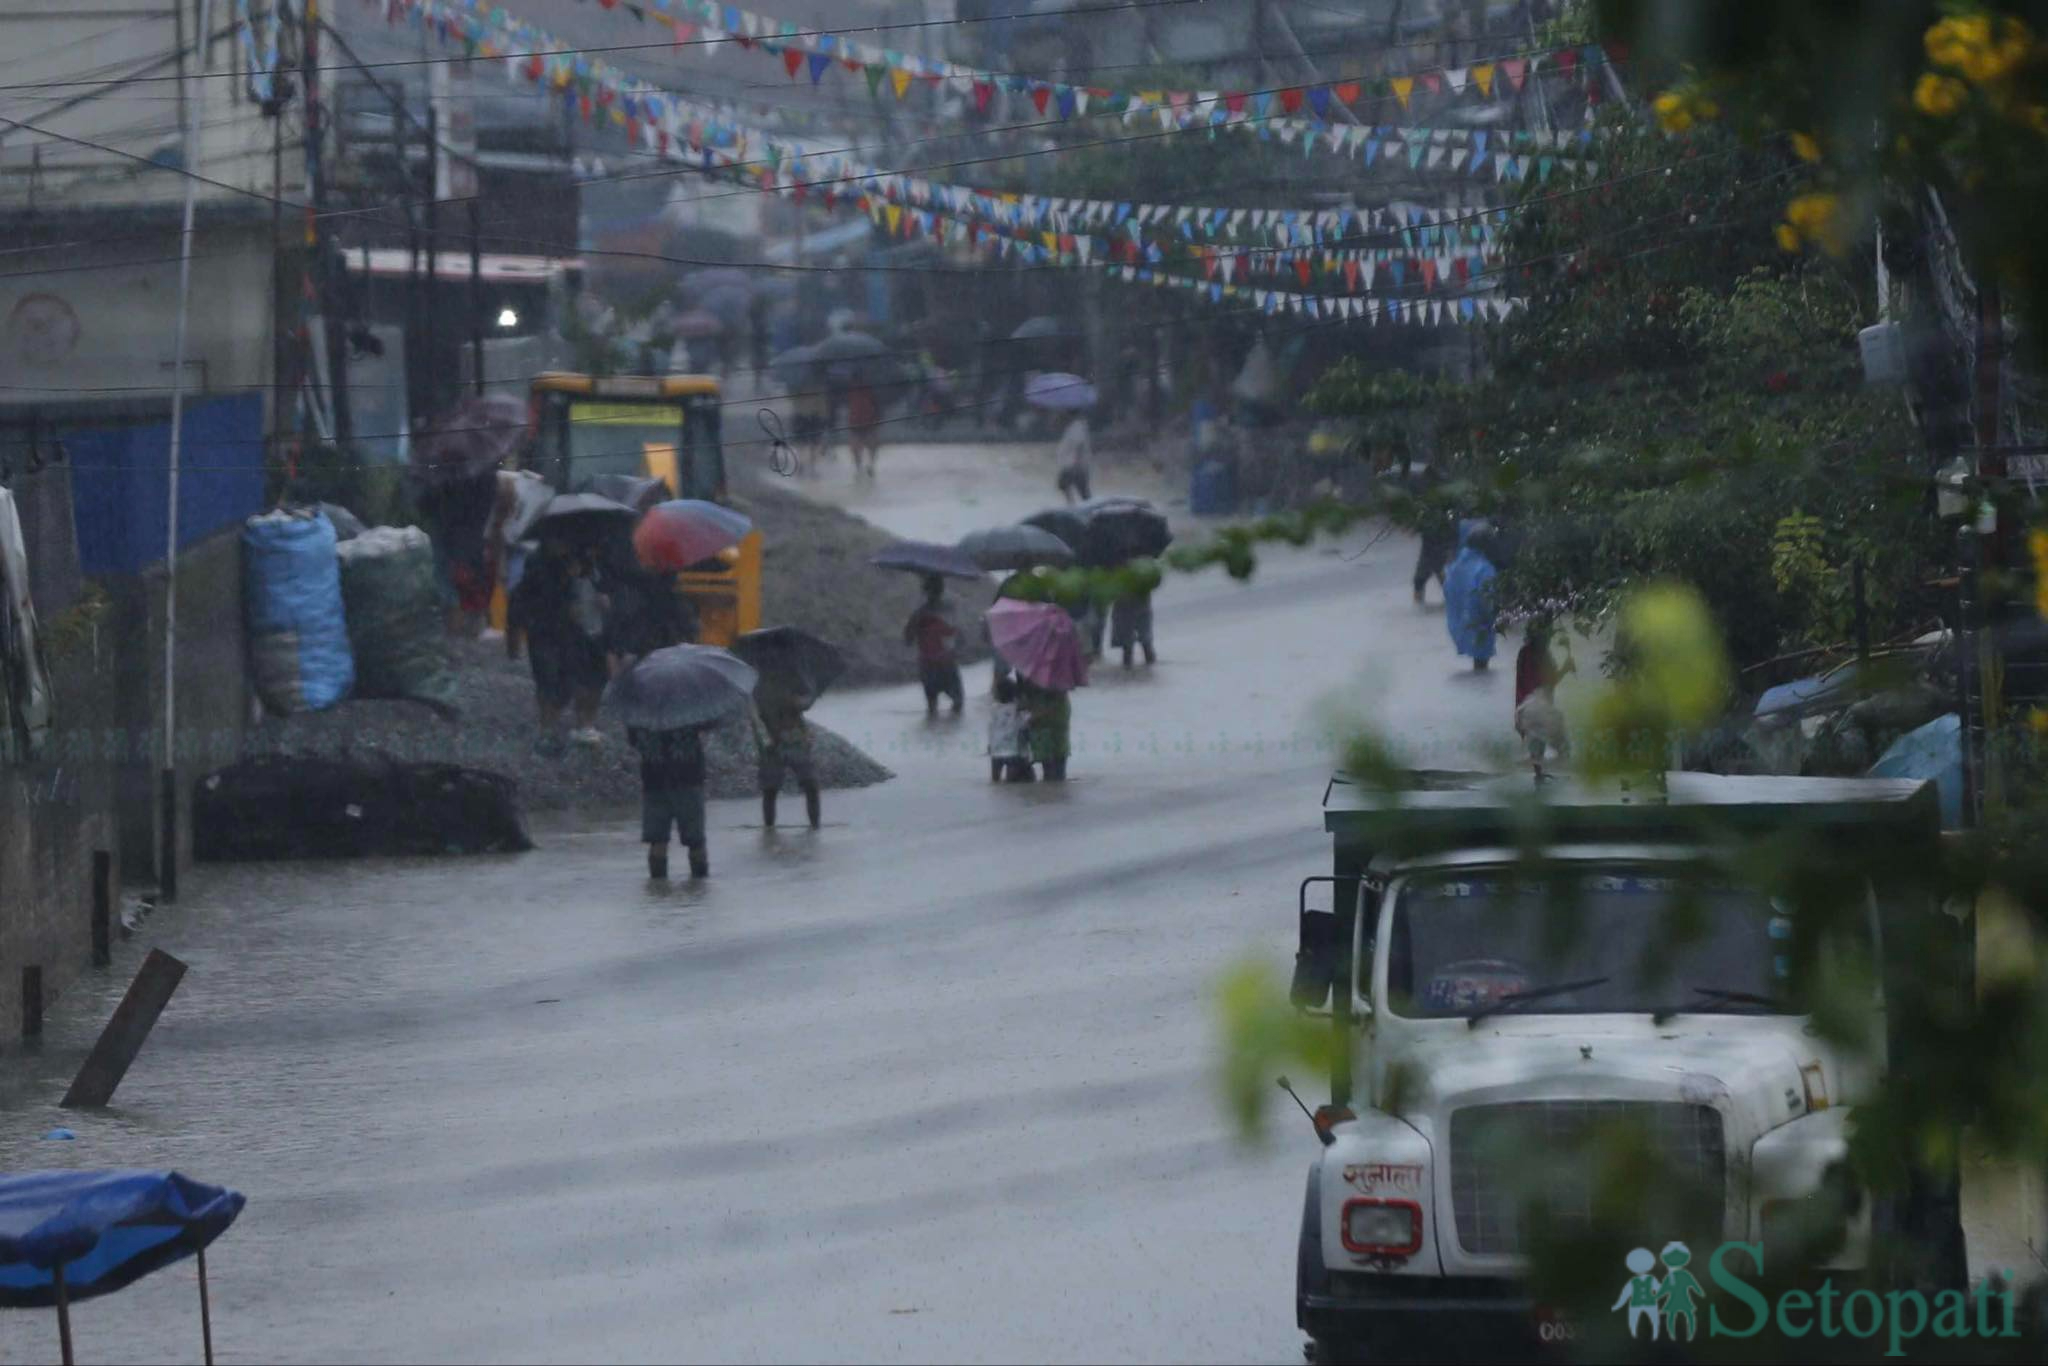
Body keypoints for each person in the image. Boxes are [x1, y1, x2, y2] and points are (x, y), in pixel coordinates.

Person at [507, 538, 610, 747]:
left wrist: (604, 599)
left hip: (585, 630)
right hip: (548, 631)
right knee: (549, 677)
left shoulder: (592, 559)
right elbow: (526, 599)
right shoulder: (539, 562)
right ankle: (548, 727)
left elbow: (603, 587)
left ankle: (583, 724)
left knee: (590, 677)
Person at [629, 716, 713, 880]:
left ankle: (658, 890)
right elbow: (709, 722)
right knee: (695, 840)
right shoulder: (688, 707)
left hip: (654, 781)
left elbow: (633, 740)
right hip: (688, 778)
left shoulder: (640, 712)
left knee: (657, 841)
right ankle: (699, 887)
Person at [753, 681, 821, 829]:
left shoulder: (786, 679)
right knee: (773, 790)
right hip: (778, 744)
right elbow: (803, 704)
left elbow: (803, 704)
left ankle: (770, 831)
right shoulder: (763, 687)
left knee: (808, 785)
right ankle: (813, 827)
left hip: (789, 742)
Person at [1514, 616, 1575, 773]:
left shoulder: (1524, 652)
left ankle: (1538, 784)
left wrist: (1518, 717)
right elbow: (1549, 682)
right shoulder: (1543, 655)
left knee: (1536, 760)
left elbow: (1521, 684)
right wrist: (1566, 668)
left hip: (1525, 710)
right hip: (1541, 710)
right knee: (1564, 753)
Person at [1442, 520, 1499, 672]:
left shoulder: (1455, 566)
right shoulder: (1485, 569)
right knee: (1482, 665)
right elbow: (1488, 599)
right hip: (1479, 623)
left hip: (1458, 623)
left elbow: (1448, 591)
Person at [904, 575, 964, 716]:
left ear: (925, 591)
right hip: (947, 663)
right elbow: (959, 638)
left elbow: (908, 639)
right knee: (957, 704)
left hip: (928, 665)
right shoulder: (949, 611)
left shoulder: (919, 614)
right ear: (942, 590)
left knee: (932, 708)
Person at [1017, 673, 1071, 780]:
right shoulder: (1029, 676)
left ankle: (1052, 784)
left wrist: (1036, 714)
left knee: (1055, 758)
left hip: (1053, 721)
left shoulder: (1054, 677)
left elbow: (1058, 697)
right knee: (1050, 760)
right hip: (1043, 725)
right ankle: (1053, 785)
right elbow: (1023, 703)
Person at [987, 674, 1032, 782]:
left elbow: (991, 727)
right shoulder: (1017, 708)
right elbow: (1025, 724)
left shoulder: (993, 709)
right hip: (1013, 751)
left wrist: (990, 745)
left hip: (996, 750)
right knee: (1011, 784)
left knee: (995, 781)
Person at [1109, 591, 1155, 669]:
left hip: (1125, 600)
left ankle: (1128, 667)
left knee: (1128, 642)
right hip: (1139, 597)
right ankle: (1149, 664)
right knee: (1145, 638)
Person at [1054, 413, 1093, 503]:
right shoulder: (1072, 427)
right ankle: (1074, 505)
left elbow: (1079, 445)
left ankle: (1074, 505)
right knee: (1079, 489)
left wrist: (1076, 462)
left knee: (1068, 485)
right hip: (1073, 465)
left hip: (1074, 465)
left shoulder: (1077, 427)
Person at [846, 382, 882, 478]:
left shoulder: (851, 389)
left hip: (862, 420)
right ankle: (865, 466)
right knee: (866, 445)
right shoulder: (871, 390)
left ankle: (864, 466)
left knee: (862, 445)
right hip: (862, 420)